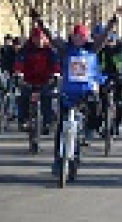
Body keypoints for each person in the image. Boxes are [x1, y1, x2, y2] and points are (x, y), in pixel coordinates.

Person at [44, 12, 118, 176]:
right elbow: (52, 38)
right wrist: (40, 22)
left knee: (85, 121)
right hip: (68, 93)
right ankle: (58, 158)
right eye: (76, 36)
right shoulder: (65, 50)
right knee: (62, 127)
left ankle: (78, 151)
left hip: (86, 94)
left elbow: (103, 37)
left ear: (86, 38)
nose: (79, 39)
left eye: (82, 36)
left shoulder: (92, 49)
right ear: (72, 37)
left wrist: (111, 23)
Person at [14, 28, 60, 135]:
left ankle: (47, 122)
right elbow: (19, 63)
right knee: (22, 97)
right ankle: (23, 120)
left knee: (47, 98)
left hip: (45, 81)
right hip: (28, 81)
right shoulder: (25, 50)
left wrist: (56, 75)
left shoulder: (51, 51)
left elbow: (56, 65)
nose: (39, 40)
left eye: (41, 38)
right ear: (32, 38)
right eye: (36, 38)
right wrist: (18, 74)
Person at [98, 32, 122, 135]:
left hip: (118, 75)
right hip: (105, 75)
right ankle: (103, 122)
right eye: (108, 41)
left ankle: (119, 123)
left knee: (120, 101)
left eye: (111, 41)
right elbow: (97, 65)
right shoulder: (101, 49)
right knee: (101, 99)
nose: (109, 43)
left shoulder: (121, 49)